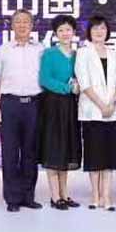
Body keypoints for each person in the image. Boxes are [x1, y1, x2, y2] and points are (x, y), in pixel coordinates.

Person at [0, 9, 45, 212]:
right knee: (10, 153)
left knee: (31, 152)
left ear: (32, 25)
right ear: (12, 25)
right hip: (9, 104)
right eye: (18, 22)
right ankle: (12, 198)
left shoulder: (41, 49)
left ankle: (28, 196)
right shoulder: (3, 50)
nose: (22, 25)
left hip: (34, 104)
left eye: (26, 22)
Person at [75, 15, 116, 211]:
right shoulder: (83, 52)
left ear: (107, 31)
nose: (99, 32)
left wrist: (111, 103)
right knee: (94, 156)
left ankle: (107, 196)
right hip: (92, 111)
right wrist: (102, 105)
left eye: (102, 28)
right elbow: (84, 83)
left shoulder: (113, 53)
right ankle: (95, 196)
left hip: (112, 111)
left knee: (109, 157)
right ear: (89, 32)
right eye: (95, 28)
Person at [38, 15, 82, 209]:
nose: (65, 33)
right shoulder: (49, 54)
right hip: (53, 105)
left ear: (74, 32)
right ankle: (55, 196)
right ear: (55, 33)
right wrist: (67, 88)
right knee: (53, 149)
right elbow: (44, 80)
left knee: (66, 149)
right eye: (61, 30)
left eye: (68, 30)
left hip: (71, 106)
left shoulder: (78, 55)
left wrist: (78, 87)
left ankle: (65, 193)